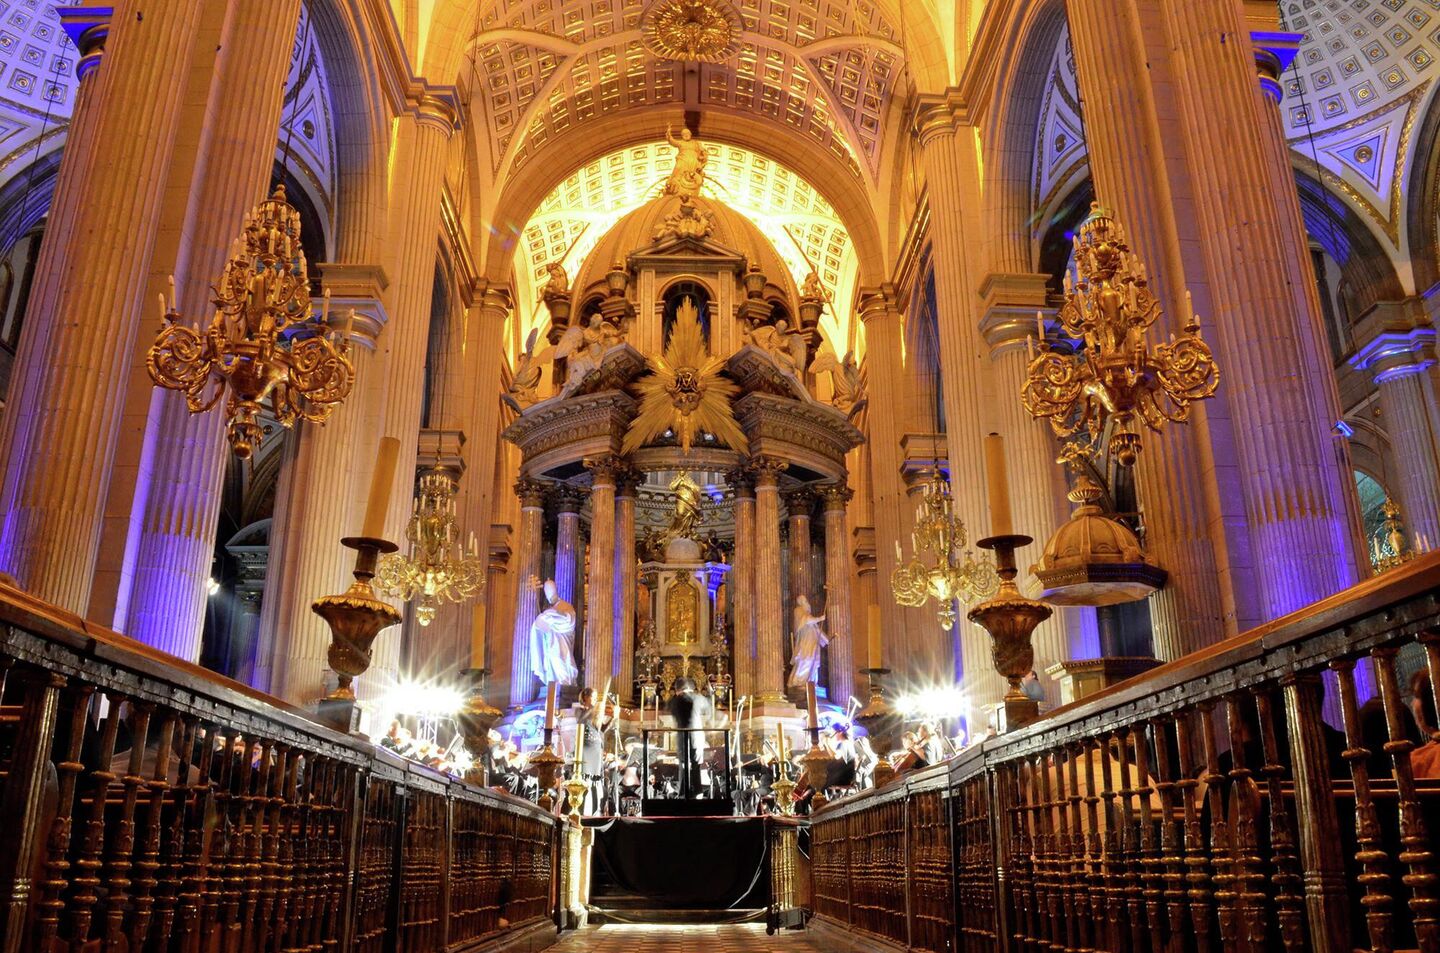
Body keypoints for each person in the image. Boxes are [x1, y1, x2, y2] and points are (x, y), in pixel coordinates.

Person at [667, 676, 712, 798]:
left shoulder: (674, 701)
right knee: (696, 765)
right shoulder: (697, 698)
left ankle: (682, 793)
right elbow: (709, 704)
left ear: (678, 689)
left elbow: (668, 707)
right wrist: (710, 691)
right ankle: (698, 792)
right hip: (697, 736)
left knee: (683, 765)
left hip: (682, 736)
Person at [528, 577, 578, 685]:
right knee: (553, 662)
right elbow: (540, 627)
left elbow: (569, 619)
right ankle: (556, 687)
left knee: (562, 662)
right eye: (547, 592)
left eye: (550, 591)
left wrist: (551, 615)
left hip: (563, 644)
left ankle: (565, 685)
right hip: (552, 644)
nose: (549, 595)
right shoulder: (550, 610)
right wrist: (544, 618)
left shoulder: (565, 606)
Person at [577, 687, 614, 813]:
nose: (594, 699)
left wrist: (613, 717)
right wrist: (596, 711)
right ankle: (583, 809)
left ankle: (595, 808)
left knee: (597, 779)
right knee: (587, 778)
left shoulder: (595, 713)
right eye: (592, 696)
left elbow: (601, 729)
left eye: (595, 697)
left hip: (596, 749)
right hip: (587, 749)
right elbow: (583, 722)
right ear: (585, 698)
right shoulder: (581, 711)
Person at [787, 595, 829, 688]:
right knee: (806, 659)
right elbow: (806, 620)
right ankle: (799, 681)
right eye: (804, 600)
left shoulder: (808, 614)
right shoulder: (798, 610)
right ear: (801, 602)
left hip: (813, 642)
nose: (807, 602)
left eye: (806, 600)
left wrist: (826, 640)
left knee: (813, 661)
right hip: (805, 641)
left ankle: (811, 682)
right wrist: (819, 619)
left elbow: (817, 630)